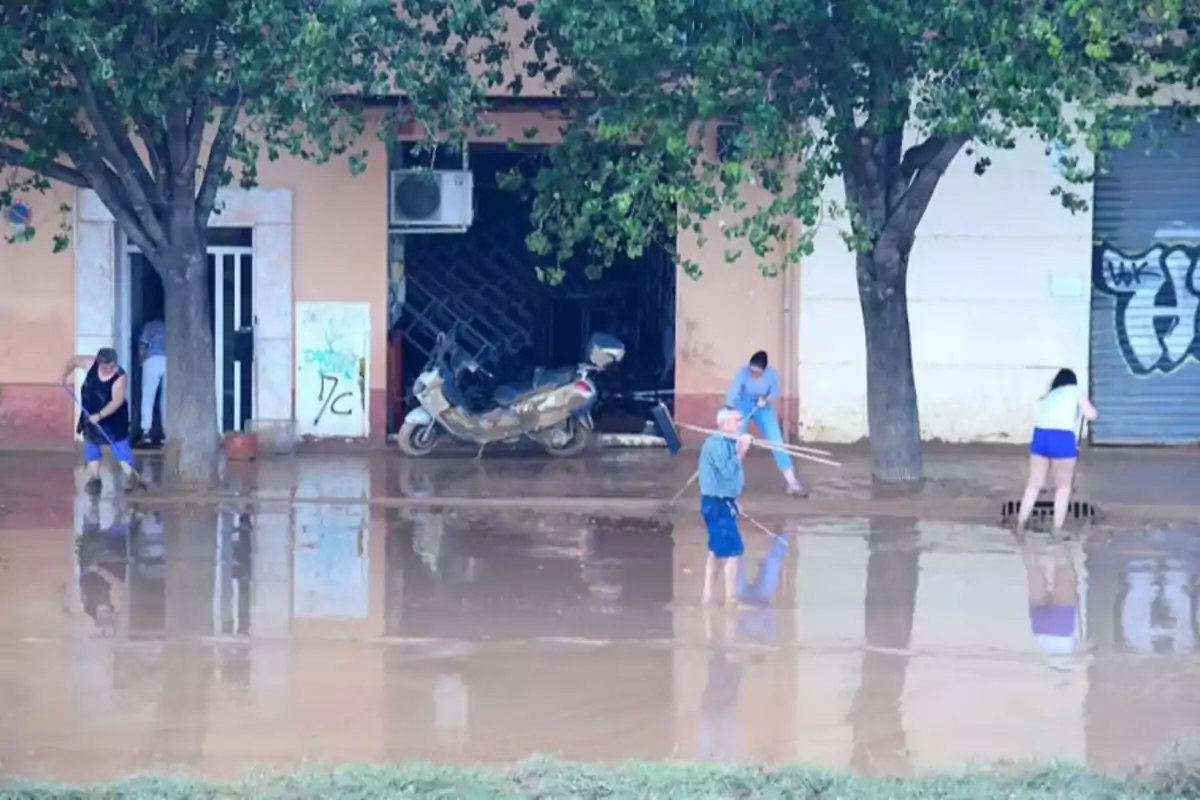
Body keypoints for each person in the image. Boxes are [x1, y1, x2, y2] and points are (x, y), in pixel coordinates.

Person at [1015, 368, 1098, 533]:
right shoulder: (1075, 391)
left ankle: (1019, 524)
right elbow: (1092, 415)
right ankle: (1056, 530)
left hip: (1040, 437)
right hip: (1062, 439)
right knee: (1063, 488)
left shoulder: (1047, 396)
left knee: (1034, 484)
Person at [726, 350, 807, 497]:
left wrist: (766, 399)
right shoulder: (742, 373)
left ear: (764, 370)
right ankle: (733, 481)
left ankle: (792, 483)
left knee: (777, 443)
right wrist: (731, 414)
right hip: (742, 406)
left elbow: (773, 393)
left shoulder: (771, 375)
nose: (753, 375)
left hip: (763, 408)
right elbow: (733, 393)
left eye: (757, 373)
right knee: (737, 443)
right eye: (752, 371)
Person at [62, 348, 140, 495]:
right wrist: (63, 377)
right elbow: (74, 360)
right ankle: (94, 479)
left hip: (114, 416)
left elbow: (117, 401)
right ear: (98, 363)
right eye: (104, 367)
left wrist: (100, 415)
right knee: (91, 444)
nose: (108, 370)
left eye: (111, 367)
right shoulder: (90, 364)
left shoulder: (120, 377)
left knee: (119, 444)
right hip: (90, 412)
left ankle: (131, 476)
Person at [699, 406, 753, 604]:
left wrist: (734, 500)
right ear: (724, 424)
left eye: (740, 420)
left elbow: (723, 481)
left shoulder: (728, 442)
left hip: (722, 501)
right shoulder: (717, 444)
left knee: (715, 550)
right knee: (734, 550)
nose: (740, 424)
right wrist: (741, 452)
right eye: (736, 421)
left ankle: (707, 596)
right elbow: (727, 472)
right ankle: (731, 600)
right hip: (715, 505)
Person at [136, 318, 166, 447]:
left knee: (148, 397)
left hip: (152, 360)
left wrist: (141, 362)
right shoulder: (171, 324)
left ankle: (146, 432)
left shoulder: (149, 325)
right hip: (168, 360)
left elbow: (143, 345)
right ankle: (167, 433)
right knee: (166, 399)